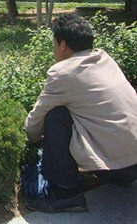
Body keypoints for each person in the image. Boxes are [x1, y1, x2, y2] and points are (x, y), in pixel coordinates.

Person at [24, 13, 137, 213]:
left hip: (117, 170)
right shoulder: (104, 58)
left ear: (63, 45)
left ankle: (65, 194)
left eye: (53, 43)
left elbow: (35, 121)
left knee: (55, 116)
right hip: (133, 166)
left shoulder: (62, 73)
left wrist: (31, 142)